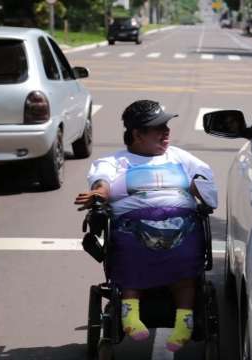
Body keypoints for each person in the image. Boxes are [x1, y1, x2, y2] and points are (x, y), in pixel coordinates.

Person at [74, 100, 218, 352]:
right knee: (129, 247)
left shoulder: (180, 157)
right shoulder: (115, 161)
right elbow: (102, 182)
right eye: (158, 128)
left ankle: (184, 322)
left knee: (185, 259)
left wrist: (197, 184)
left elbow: (205, 180)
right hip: (134, 224)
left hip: (181, 222)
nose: (166, 133)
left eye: (167, 126)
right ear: (137, 134)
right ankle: (130, 315)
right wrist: (99, 194)